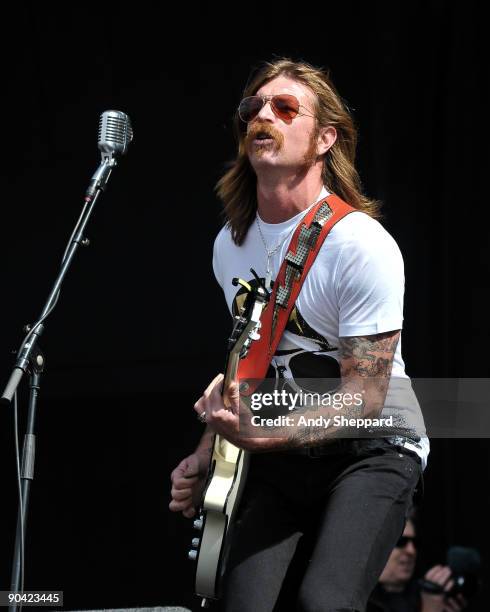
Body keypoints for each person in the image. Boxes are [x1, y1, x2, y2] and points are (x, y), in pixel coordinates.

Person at [169, 57, 429, 611]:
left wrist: (262, 438)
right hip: (286, 447)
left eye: (285, 108)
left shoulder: (358, 244)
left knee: (326, 601)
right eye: (252, 108)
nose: (264, 116)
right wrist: (207, 446)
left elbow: (366, 396)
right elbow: (252, 364)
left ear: (324, 138)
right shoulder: (229, 246)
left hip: (372, 443)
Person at [368, 518, 468, 612]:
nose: (411, 550)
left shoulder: (422, 592)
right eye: (401, 541)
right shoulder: (359, 600)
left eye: (415, 543)